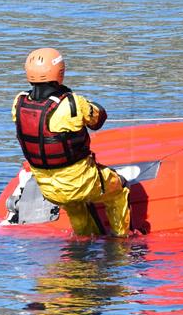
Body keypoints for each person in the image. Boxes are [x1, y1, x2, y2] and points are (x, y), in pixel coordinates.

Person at [11, 48, 130, 237]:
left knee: (75, 206)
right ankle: (121, 242)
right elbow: (98, 119)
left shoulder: (19, 103)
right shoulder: (72, 103)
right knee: (119, 189)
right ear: (60, 72)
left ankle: (82, 250)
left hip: (48, 189)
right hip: (80, 182)